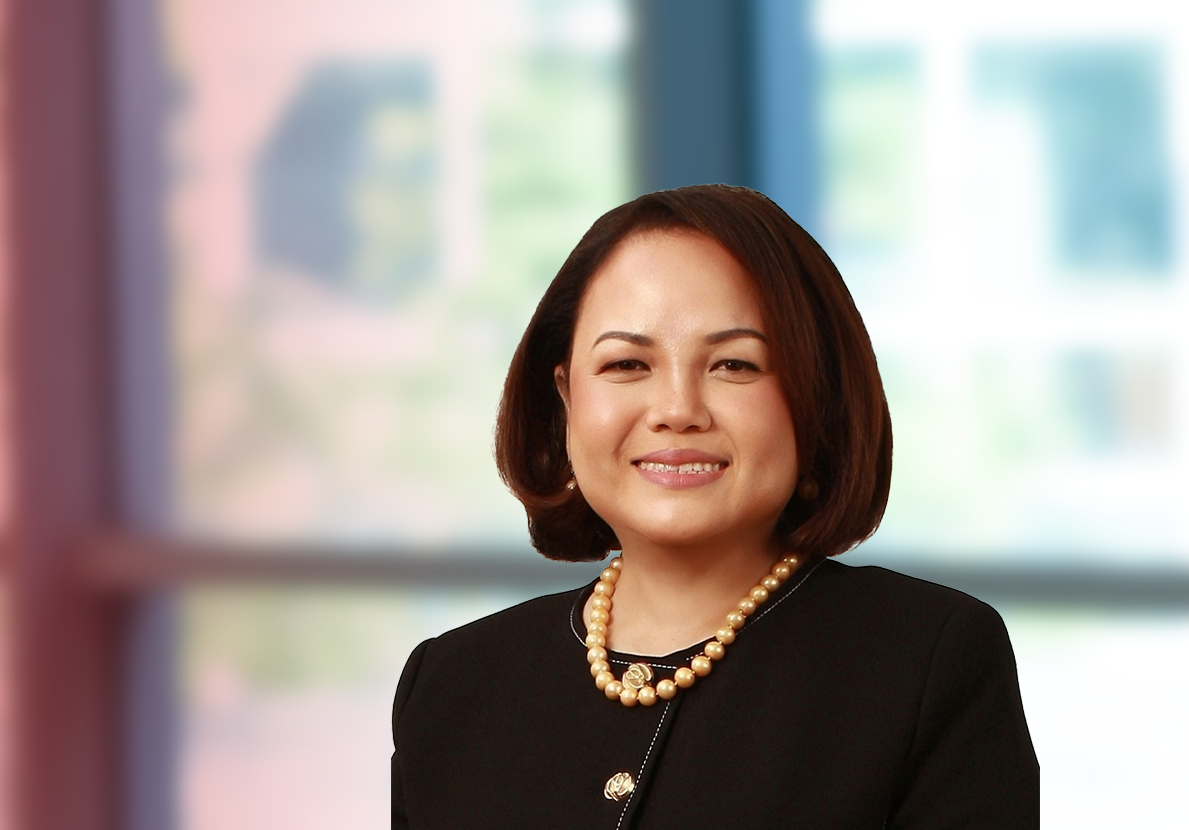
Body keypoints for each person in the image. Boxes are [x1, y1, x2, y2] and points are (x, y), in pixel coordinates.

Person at [391, 185, 1038, 828]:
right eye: (626, 364)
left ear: (815, 395)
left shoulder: (926, 663)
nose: (677, 410)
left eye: (734, 364)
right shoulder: (450, 684)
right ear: (565, 397)